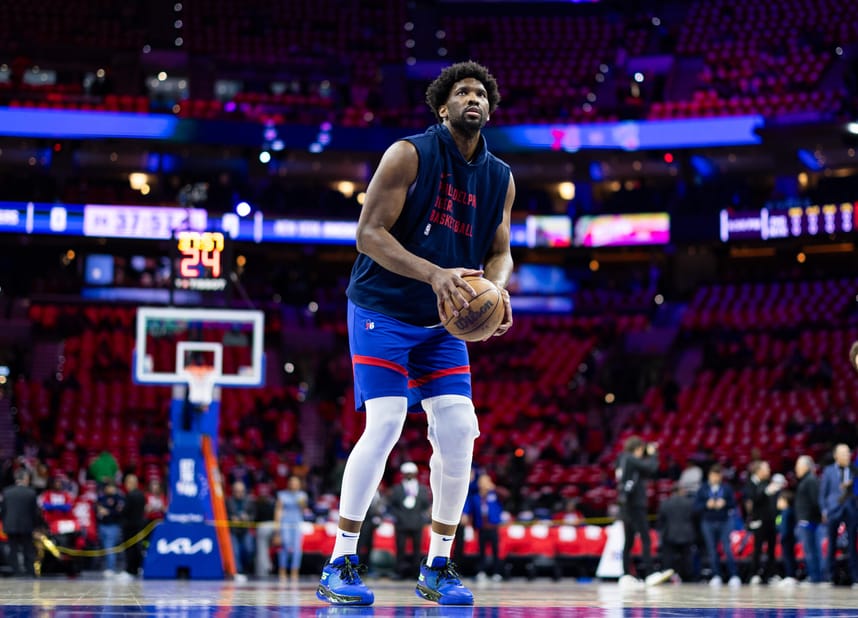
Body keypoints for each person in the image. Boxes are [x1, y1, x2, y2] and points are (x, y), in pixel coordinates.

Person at [316, 60, 514, 607]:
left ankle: (438, 566)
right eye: (463, 92)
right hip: (382, 308)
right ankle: (340, 561)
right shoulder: (409, 154)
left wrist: (496, 291)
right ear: (443, 106)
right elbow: (367, 234)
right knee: (386, 422)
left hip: (441, 320)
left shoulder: (500, 177)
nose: (474, 98)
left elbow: (500, 252)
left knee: (460, 429)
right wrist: (435, 274)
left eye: (482, 93)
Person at [615, 436, 671, 587]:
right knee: (646, 538)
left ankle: (626, 574)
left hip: (626, 506)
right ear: (638, 448)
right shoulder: (630, 459)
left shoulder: (622, 459)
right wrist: (653, 454)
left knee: (629, 541)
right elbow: (651, 468)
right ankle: (649, 574)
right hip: (635, 506)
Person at [695, 464, 741, 587]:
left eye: (718, 475)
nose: (715, 478)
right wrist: (706, 504)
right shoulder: (703, 488)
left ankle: (733, 575)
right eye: (713, 475)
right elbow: (696, 507)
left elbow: (733, 503)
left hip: (724, 521)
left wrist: (725, 503)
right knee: (712, 550)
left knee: (727, 548)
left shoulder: (726, 488)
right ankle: (716, 575)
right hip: (708, 522)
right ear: (709, 476)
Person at [819, 443, 858, 585]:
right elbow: (823, 493)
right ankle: (830, 577)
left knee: (852, 545)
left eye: (848, 453)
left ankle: (855, 577)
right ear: (836, 456)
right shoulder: (828, 471)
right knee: (831, 545)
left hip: (851, 509)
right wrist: (824, 510)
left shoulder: (854, 469)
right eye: (843, 453)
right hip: (833, 510)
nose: (847, 455)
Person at [388, 462, 431, 580]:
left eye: (411, 473)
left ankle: (416, 573)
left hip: (417, 523)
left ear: (415, 473)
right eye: (407, 473)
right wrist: (398, 517)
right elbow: (392, 506)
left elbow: (426, 505)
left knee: (417, 550)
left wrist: (422, 517)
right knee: (400, 548)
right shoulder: (397, 489)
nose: (409, 475)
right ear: (402, 474)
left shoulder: (422, 489)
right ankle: (399, 572)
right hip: (401, 523)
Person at [462, 472, 504, 582]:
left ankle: (496, 572)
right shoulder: (475, 497)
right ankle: (482, 571)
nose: (483, 484)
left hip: (493, 527)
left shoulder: (494, 495)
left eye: (486, 481)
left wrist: (495, 488)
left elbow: (506, 495)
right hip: (481, 528)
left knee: (495, 551)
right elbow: (468, 508)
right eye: (481, 481)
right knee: (481, 551)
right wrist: (465, 514)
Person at [0, 468, 39, 577]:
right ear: (25, 479)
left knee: (13, 550)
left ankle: (16, 572)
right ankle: (30, 571)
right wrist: (36, 526)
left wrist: (5, 524)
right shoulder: (31, 492)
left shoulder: (7, 492)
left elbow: (3, 510)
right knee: (28, 549)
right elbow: (34, 512)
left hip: (10, 525)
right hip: (27, 526)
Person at [744, 460, 778, 585]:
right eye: (766, 468)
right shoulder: (750, 484)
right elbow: (753, 500)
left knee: (771, 549)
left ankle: (769, 575)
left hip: (770, 521)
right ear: (759, 471)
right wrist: (766, 492)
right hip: (758, 521)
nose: (769, 470)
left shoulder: (767, 482)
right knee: (757, 549)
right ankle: (754, 574)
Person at [657, 482, 697, 582]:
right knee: (686, 559)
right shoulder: (689, 503)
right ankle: (687, 578)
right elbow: (695, 518)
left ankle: (667, 577)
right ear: (681, 491)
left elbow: (661, 521)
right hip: (686, 534)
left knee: (668, 559)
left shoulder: (665, 503)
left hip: (670, 534)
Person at [794, 454, 823, 584]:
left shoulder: (810, 480)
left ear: (806, 466)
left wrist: (814, 517)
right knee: (810, 551)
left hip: (809, 521)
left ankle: (816, 577)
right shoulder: (806, 480)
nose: (796, 469)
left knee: (811, 551)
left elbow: (816, 501)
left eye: (798, 466)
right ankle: (814, 576)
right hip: (806, 521)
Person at [275, 474, 307, 583]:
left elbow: (303, 509)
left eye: (296, 483)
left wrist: (302, 503)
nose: (293, 484)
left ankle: (294, 572)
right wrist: (277, 527)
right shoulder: (282, 495)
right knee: (285, 545)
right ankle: (282, 571)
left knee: (297, 548)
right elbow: (278, 510)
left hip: (297, 523)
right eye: (292, 482)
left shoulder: (302, 495)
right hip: (285, 523)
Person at [118, 474, 146, 581]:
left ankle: (130, 570)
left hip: (130, 526)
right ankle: (137, 569)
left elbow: (126, 511)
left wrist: (120, 510)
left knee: (130, 549)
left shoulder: (130, 495)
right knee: (137, 548)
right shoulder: (141, 495)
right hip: (139, 525)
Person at [226, 480, 256, 577]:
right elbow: (224, 515)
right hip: (233, 530)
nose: (239, 493)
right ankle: (238, 571)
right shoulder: (228, 501)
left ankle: (247, 568)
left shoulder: (250, 501)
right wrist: (231, 518)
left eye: (241, 491)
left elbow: (254, 515)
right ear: (233, 491)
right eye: (237, 491)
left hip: (245, 529)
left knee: (249, 549)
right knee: (235, 551)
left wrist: (247, 517)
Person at [96, 479, 125, 577]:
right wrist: (99, 509)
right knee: (105, 547)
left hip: (113, 526)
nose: (110, 489)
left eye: (112, 487)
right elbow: (96, 508)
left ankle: (111, 569)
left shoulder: (119, 498)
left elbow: (120, 512)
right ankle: (107, 567)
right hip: (102, 525)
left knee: (110, 547)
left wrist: (108, 512)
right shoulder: (102, 498)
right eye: (108, 487)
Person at [776, 485, 797, 586]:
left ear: (785, 501)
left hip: (787, 538)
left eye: (779, 500)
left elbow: (784, 527)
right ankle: (790, 575)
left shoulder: (786, 512)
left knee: (788, 557)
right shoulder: (784, 512)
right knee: (788, 556)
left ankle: (790, 576)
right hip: (788, 538)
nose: (777, 503)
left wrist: (783, 536)